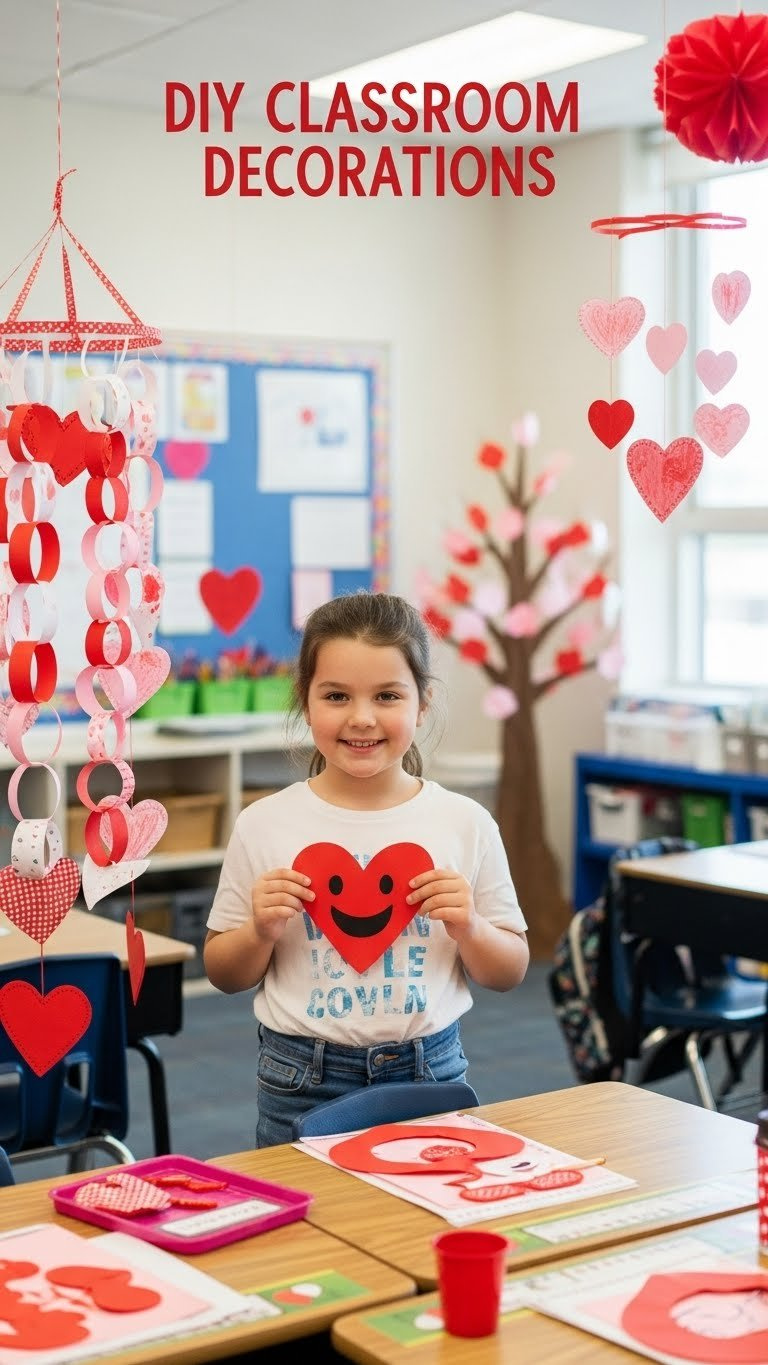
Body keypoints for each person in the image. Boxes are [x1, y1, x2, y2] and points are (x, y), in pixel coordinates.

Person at [204, 591, 529, 1146]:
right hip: (302, 1076)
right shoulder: (264, 824)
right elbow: (223, 972)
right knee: (309, 1224)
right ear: (305, 702)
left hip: (431, 1070)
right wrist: (258, 931)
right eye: (336, 695)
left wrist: (471, 927)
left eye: (387, 696)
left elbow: (510, 971)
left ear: (421, 703)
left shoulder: (464, 822)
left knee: (425, 1218)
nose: (361, 718)